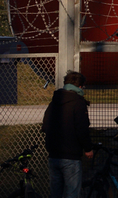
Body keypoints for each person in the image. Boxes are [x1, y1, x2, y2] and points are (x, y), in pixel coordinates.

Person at [42, 70, 94, 198]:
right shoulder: (78, 103)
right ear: (80, 86)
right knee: (72, 193)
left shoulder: (54, 102)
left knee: (55, 192)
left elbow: (45, 126)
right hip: (71, 155)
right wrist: (88, 149)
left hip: (54, 154)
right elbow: (82, 129)